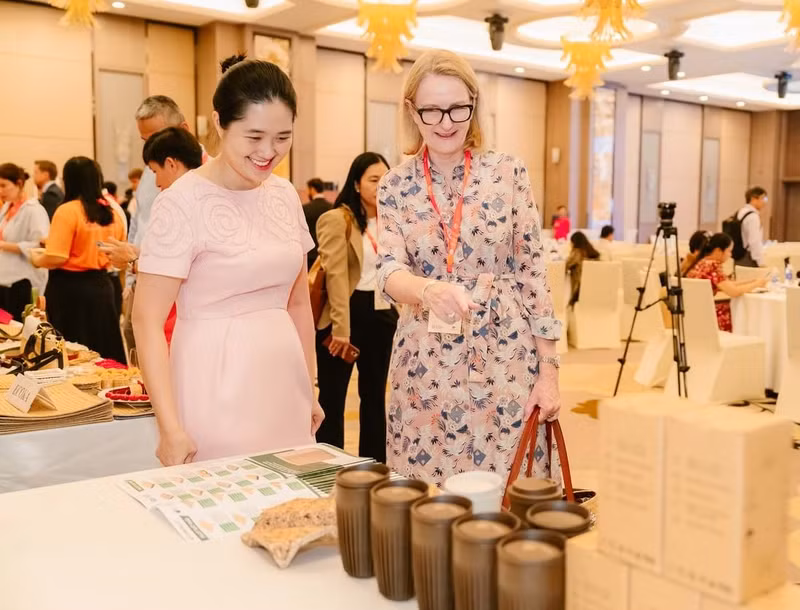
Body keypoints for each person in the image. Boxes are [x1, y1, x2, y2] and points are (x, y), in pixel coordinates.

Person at [376, 50, 562, 485]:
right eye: (432, 110)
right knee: (429, 490)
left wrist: (549, 372)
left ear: (474, 105)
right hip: (426, 359)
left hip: (506, 354)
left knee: (510, 483)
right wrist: (427, 290)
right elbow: (388, 271)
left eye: (458, 108)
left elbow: (533, 275)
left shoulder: (507, 173)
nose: (446, 122)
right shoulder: (395, 185)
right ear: (411, 111)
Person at [133, 54, 324, 466]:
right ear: (219, 124)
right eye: (253, 137)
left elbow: (297, 303)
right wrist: (169, 427)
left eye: (282, 137)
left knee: (287, 507)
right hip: (212, 378)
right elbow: (146, 319)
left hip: (284, 377)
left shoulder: (285, 195)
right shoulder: (181, 202)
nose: (268, 152)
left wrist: (311, 384)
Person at [315, 152, 397, 463]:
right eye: (374, 180)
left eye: (385, 180)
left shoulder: (392, 222)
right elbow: (335, 276)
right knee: (333, 399)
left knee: (374, 397)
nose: (381, 186)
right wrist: (341, 329)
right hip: (344, 313)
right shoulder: (338, 219)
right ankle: (329, 467)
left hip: (381, 314)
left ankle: (373, 468)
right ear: (356, 183)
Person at [104, 96, 193, 354]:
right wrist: (131, 258)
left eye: (155, 137)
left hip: (176, 293)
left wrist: (136, 260)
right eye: (145, 142)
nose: (149, 149)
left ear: (183, 129)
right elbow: (140, 222)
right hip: (143, 275)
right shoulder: (149, 172)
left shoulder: (205, 176)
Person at [30, 157, 126, 362]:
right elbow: (117, 254)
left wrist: (36, 260)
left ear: (69, 181)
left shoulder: (68, 210)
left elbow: (57, 257)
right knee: (102, 347)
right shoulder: (111, 212)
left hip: (70, 290)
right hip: (103, 287)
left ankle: (71, 395)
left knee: (70, 351)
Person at [685, 232, 768, 331]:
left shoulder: (702, 262)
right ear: (718, 251)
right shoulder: (712, 266)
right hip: (712, 318)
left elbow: (726, 283)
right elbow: (733, 292)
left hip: (696, 315)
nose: (730, 255)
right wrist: (756, 284)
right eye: (729, 251)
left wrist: (752, 281)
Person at [0, 164, 49, 320]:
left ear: (19, 184)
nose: (0, 191)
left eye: (3, 186)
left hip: (23, 279)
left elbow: (40, 245)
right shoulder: (7, 207)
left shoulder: (34, 210)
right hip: (5, 278)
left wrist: (5, 246)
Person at [732, 186, 767, 268]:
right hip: (748, 257)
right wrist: (760, 262)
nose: (764, 202)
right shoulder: (752, 216)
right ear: (753, 199)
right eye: (763, 198)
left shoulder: (740, 212)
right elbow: (754, 241)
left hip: (738, 254)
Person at [303, 177, 332, 269]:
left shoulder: (305, 209)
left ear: (312, 189)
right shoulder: (332, 207)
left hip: (310, 253)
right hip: (328, 252)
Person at [566, 231, 601, 306]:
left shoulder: (577, 253)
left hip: (578, 292)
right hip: (595, 290)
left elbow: (565, 266)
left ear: (574, 243)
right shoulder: (594, 254)